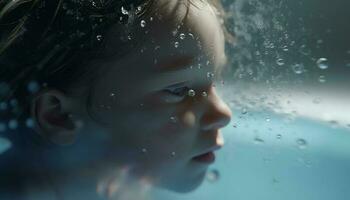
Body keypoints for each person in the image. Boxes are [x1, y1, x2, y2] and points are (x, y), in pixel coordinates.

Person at [0, 0, 233, 199]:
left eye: (215, 80)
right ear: (60, 116)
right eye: (178, 90)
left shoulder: (118, 187)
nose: (223, 113)